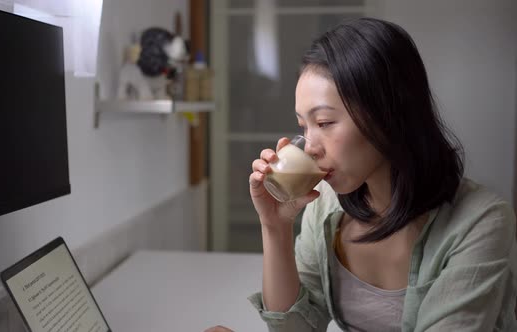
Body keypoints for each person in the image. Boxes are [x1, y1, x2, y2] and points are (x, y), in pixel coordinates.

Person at [205, 17, 517, 332]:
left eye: (324, 122)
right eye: (304, 126)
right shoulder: (325, 205)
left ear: (389, 114)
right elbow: (295, 329)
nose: (309, 148)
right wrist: (275, 227)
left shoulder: (482, 221)